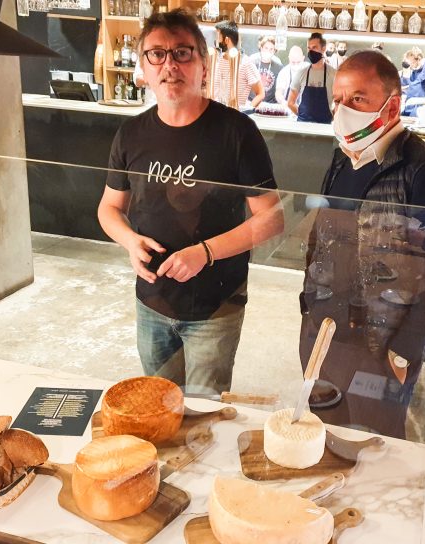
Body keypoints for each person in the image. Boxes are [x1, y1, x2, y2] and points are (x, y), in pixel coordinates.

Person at [97, 9, 284, 395]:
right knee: (157, 407)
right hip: (151, 300)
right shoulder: (131, 133)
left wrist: (205, 252)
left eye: (183, 53)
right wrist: (130, 241)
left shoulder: (237, 132)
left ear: (202, 63)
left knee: (204, 420)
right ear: (143, 68)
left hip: (215, 306)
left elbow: (272, 218)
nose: (170, 65)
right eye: (156, 54)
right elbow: (109, 208)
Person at [299, 50, 425, 439]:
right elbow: (322, 237)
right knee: (322, 432)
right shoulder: (344, 159)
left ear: (392, 106)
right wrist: (307, 306)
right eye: (338, 99)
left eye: (358, 99)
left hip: (383, 346)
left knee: (374, 443)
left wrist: (404, 351)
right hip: (328, 331)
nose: (343, 109)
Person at [213, 20, 265, 109]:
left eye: (218, 37)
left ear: (227, 40)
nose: (216, 41)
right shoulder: (217, 60)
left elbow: (260, 93)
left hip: (236, 117)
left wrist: (245, 111)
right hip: (217, 115)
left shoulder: (245, 63)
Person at [287, 33, 336, 123]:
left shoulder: (334, 74)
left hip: (324, 127)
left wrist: (331, 116)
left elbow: (341, 102)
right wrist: (302, 115)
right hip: (303, 127)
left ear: (323, 48)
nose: (311, 51)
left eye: (314, 47)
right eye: (309, 48)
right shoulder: (301, 73)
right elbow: (290, 102)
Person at [249, 35, 283, 104]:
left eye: (271, 49)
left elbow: (280, 88)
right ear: (261, 48)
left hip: (270, 104)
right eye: (266, 48)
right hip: (251, 102)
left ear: (274, 51)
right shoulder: (251, 61)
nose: (268, 51)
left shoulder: (278, 66)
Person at [402, 46, 425, 116]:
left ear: (419, 59)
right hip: (409, 104)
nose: (411, 66)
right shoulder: (414, 69)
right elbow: (414, 83)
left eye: (412, 63)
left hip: (420, 105)